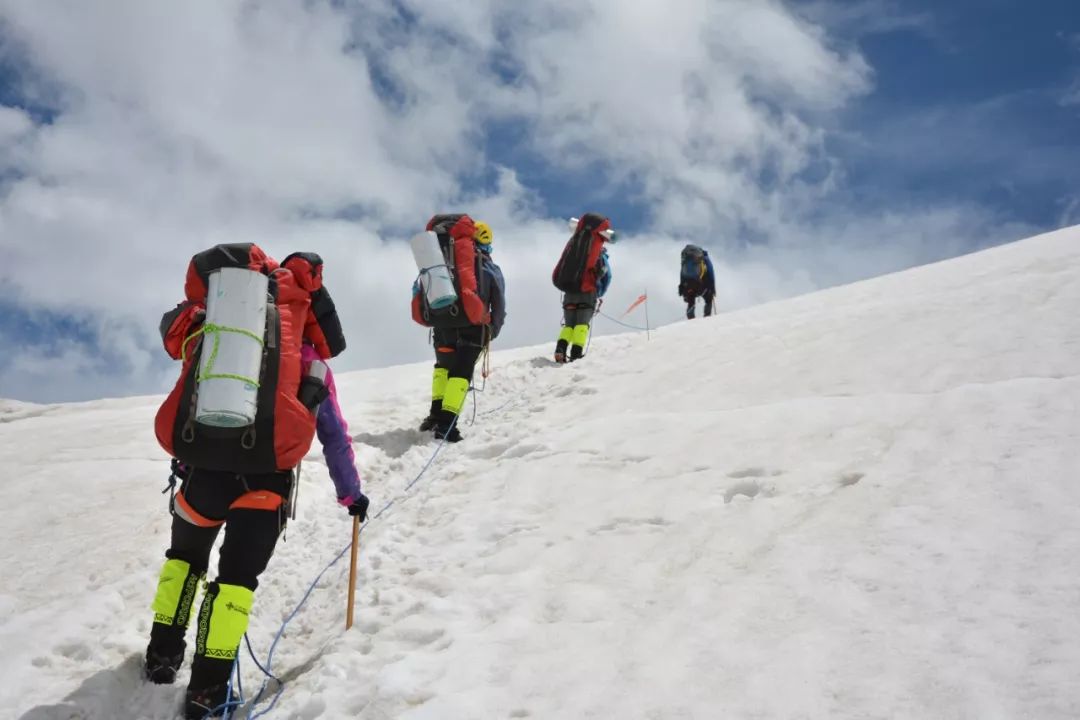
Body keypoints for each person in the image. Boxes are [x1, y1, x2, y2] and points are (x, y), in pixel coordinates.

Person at [145, 246, 368, 719]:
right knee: (235, 585)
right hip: (264, 484)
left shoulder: (217, 332)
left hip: (201, 472)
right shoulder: (307, 359)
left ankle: (162, 655)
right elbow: (333, 433)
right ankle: (207, 693)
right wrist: (350, 493)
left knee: (183, 562)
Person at [413, 218, 506, 442]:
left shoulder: (441, 265)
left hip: (443, 324)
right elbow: (498, 300)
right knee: (460, 374)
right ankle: (447, 424)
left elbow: (419, 289)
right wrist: (493, 329)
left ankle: (434, 416)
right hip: (474, 327)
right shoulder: (487, 266)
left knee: (443, 369)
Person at [552, 214, 614, 363]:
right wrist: (599, 293)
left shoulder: (575, 245)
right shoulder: (600, 255)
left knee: (569, 325)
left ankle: (560, 349)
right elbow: (607, 277)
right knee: (581, 325)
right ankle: (576, 353)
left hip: (569, 291)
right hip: (588, 292)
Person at [678, 244, 716, 319]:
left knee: (691, 302)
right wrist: (712, 288)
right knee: (708, 300)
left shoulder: (685, 259)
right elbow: (711, 272)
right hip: (701, 284)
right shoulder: (705, 258)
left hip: (688, 284)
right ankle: (707, 318)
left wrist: (682, 287)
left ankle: (691, 320)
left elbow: (681, 273)